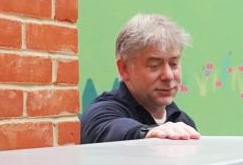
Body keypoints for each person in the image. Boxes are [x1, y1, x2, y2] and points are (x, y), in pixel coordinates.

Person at [80, 13, 200, 143]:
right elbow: (112, 129)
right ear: (124, 69)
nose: (168, 76)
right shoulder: (100, 114)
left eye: (174, 64)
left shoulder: (183, 122)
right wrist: (148, 133)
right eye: (154, 65)